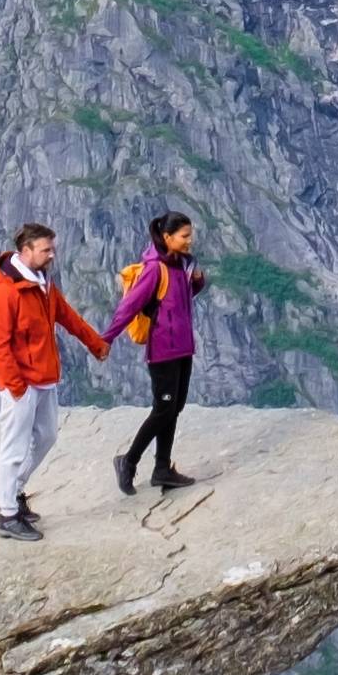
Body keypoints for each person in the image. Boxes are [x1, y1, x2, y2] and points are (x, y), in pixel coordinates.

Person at [0, 222, 81, 540]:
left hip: (44, 377)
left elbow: (65, 315)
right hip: (21, 383)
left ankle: (12, 492)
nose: (52, 255)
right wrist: (16, 385)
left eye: (52, 248)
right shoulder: (6, 292)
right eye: (46, 249)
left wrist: (96, 343)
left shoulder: (42, 282)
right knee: (13, 448)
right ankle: (7, 516)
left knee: (48, 436)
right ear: (26, 252)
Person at [108, 210, 207, 498]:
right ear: (167, 237)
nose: (190, 241)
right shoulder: (155, 268)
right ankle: (128, 461)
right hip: (163, 351)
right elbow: (130, 305)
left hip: (183, 348)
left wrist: (197, 281)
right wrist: (107, 338)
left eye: (190, 235)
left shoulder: (183, 264)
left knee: (173, 408)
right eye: (185, 236)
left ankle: (162, 468)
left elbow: (183, 298)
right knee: (163, 408)